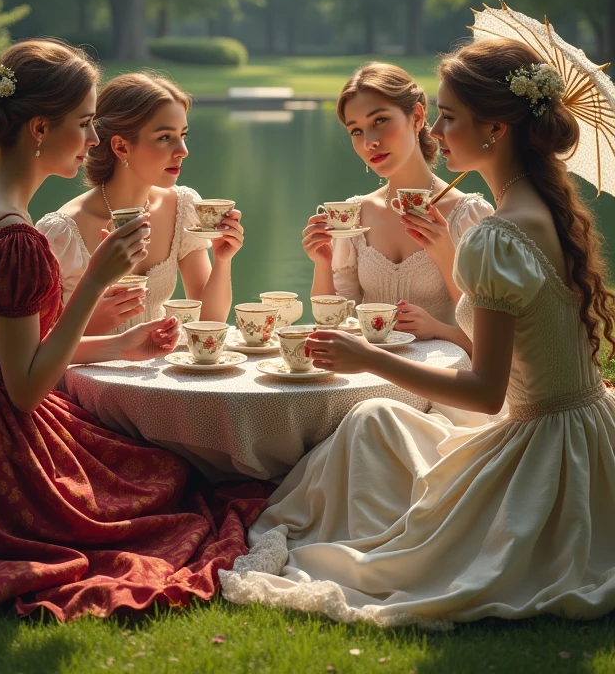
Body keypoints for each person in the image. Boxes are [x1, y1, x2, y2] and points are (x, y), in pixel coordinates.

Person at [221, 37, 615, 627]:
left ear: (497, 129)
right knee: (378, 420)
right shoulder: (545, 206)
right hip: (589, 428)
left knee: (391, 558)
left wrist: (366, 358)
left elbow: (486, 393)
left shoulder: (495, 231)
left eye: (450, 117)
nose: (441, 131)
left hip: (548, 449)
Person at [0, 41, 267, 622]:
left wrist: (118, 341)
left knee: (160, 472)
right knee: (171, 491)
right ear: (39, 128)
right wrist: (93, 284)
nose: (91, 140)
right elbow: (26, 389)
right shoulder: (18, 238)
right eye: (84, 123)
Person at [302, 62, 493, 353]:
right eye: (356, 131)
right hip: (369, 374)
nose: (369, 142)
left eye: (379, 121)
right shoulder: (355, 216)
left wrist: (437, 328)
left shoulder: (468, 215)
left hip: (449, 381)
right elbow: (334, 330)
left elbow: (495, 346)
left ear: (416, 117)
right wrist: (322, 263)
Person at [37, 71, 243, 336]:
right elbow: (37, 347)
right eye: (165, 138)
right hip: (86, 375)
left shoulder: (182, 207)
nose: (183, 150)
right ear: (121, 147)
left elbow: (208, 322)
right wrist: (93, 324)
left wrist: (222, 259)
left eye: (183, 135)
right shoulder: (62, 231)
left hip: (156, 371)